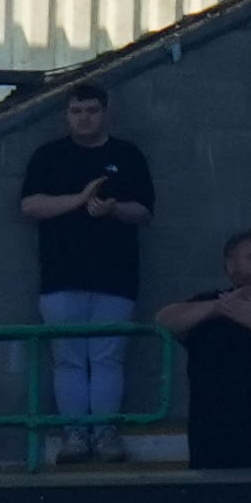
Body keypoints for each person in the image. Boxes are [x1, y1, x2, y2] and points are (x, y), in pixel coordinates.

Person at [26, 85, 162, 453]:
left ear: (106, 112)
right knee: (67, 358)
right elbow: (30, 205)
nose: (84, 117)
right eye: (76, 111)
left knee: (107, 358)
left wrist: (112, 209)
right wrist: (79, 200)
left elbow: (145, 212)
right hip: (61, 277)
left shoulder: (127, 155)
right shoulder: (49, 156)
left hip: (116, 277)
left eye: (91, 110)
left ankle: (104, 434)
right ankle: (74, 434)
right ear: (66, 115)